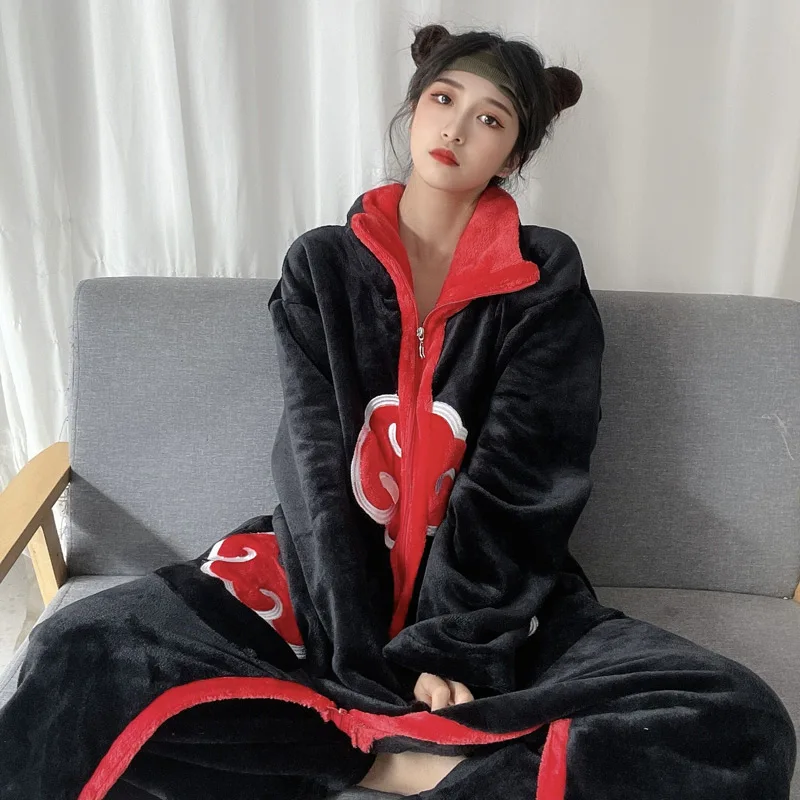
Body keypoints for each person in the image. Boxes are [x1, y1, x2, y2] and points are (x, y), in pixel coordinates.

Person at [0, 22, 796, 800]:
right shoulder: (322, 264)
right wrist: (354, 647)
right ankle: (390, 764)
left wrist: (449, 647)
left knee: (740, 725)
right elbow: (313, 464)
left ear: (514, 156)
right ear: (414, 108)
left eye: (491, 118)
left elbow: (528, 477)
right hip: (317, 572)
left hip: (494, 596)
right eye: (444, 99)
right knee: (77, 652)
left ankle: (350, 747)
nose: (457, 128)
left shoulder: (543, 276)